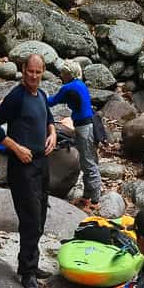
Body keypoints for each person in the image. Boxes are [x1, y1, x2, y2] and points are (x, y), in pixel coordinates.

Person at [0, 54, 56, 288]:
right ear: (23, 70)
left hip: (41, 163)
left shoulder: (42, 95)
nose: (34, 76)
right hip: (22, 166)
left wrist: (53, 134)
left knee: (41, 216)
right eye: (30, 71)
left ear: (43, 72)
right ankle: (27, 273)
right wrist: (15, 147)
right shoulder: (17, 96)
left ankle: (31, 263)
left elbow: (49, 118)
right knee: (30, 218)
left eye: (38, 72)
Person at [50, 60, 101, 209]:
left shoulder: (69, 87)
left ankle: (95, 201)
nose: (61, 75)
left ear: (69, 74)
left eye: (63, 72)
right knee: (89, 161)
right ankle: (87, 196)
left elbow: (53, 101)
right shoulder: (80, 85)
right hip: (90, 124)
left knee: (89, 163)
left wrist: (37, 98)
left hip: (85, 128)